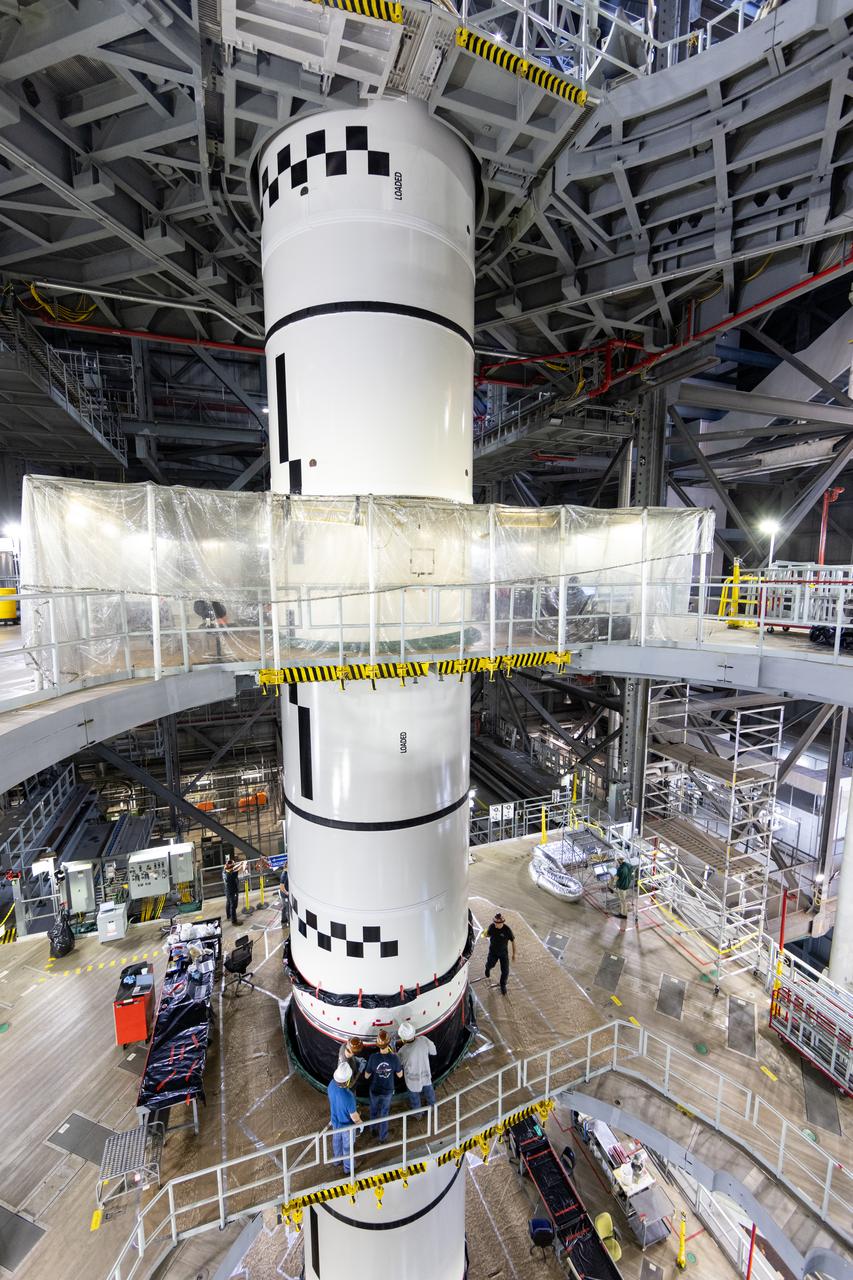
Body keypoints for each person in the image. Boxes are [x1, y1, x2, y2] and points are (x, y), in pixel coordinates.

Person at [363, 1029, 403, 1141]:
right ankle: (383, 1137)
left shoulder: (373, 1058)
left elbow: (366, 1076)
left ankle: (373, 1129)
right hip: (388, 1091)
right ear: (389, 1043)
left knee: (374, 1110)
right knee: (384, 1113)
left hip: (375, 1089)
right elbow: (400, 1075)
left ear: (378, 1044)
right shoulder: (394, 1058)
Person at [327, 1063, 361, 1175]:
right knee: (348, 1147)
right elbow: (354, 1117)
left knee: (336, 1141)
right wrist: (360, 1124)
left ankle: (337, 1160)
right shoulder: (348, 1097)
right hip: (346, 1126)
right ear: (347, 1080)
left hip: (335, 1121)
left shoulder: (331, 1085)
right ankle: (348, 1168)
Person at [397, 1020, 436, 1110]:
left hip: (412, 1081)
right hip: (425, 1075)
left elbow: (398, 1064)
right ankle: (433, 1106)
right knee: (429, 1093)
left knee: (414, 1099)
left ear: (403, 1039)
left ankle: (418, 1114)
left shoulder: (402, 1051)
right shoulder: (423, 1040)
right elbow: (433, 1051)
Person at [485, 911, 516, 995]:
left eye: (497, 923)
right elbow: (486, 934)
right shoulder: (491, 927)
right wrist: (484, 934)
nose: (495, 924)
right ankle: (487, 968)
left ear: (502, 922)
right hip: (493, 952)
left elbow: (513, 941)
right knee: (490, 964)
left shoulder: (507, 930)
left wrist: (514, 954)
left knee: (505, 971)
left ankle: (503, 985)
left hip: (503, 954)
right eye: (494, 922)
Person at [222, 856, 245, 926]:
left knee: (228, 903)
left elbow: (233, 868)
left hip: (227, 890)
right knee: (233, 905)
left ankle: (228, 915)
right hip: (233, 891)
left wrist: (239, 864)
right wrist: (243, 865)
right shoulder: (231, 874)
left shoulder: (224, 871)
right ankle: (234, 921)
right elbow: (238, 870)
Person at [614, 855, 634, 919]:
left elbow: (616, 878)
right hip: (626, 885)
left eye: (617, 861)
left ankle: (623, 914)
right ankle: (623, 913)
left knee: (622, 901)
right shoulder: (629, 865)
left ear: (619, 860)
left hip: (621, 886)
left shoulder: (620, 869)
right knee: (623, 900)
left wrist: (613, 881)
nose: (616, 862)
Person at [279, 863, 290, 929]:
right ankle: (288, 921)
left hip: (284, 894)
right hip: (284, 895)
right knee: (287, 908)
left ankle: (284, 920)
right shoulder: (284, 875)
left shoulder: (286, 873)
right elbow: (281, 887)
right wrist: (287, 893)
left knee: (284, 907)